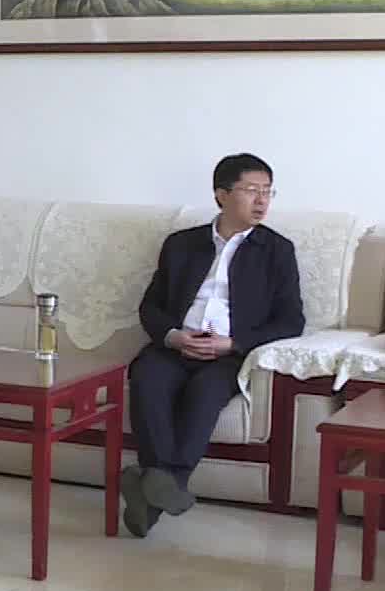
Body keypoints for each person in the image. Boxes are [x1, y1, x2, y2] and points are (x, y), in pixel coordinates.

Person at [121, 153, 303, 538]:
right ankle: (163, 485)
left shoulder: (277, 251)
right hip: (176, 346)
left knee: (205, 393)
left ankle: (157, 486)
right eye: (251, 190)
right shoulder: (181, 244)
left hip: (228, 355)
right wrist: (173, 336)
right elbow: (151, 306)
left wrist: (233, 343)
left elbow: (292, 321)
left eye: (268, 192)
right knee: (147, 378)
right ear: (222, 195)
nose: (262, 200)